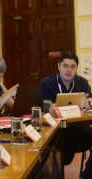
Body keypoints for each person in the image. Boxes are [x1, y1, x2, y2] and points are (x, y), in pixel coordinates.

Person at [39, 51, 92, 179]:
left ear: (76, 68)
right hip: (55, 130)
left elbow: (90, 102)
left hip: (77, 128)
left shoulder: (82, 82)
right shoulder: (47, 83)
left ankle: (86, 175)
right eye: (65, 66)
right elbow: (42, 106)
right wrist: (50, 107)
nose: (69, 70)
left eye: (72, 67)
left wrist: (88, 104)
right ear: (59, 66)